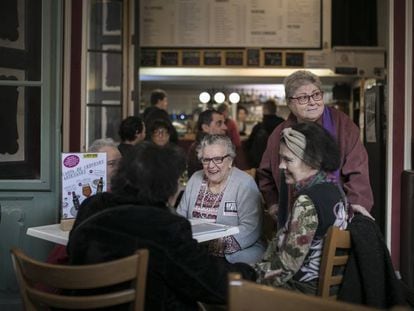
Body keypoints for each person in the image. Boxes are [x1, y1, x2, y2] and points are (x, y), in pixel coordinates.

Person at [67, 142, 256, 310]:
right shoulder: (166, 226)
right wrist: (250, 271)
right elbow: (215, 287)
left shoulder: (90, 205)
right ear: (166, 185)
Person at [257, 70, 373, 226]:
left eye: (316, 94)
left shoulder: (342, 125)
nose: (312, 102)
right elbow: (265, 174)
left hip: (339, 215)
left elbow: (358, 170)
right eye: (303, 98)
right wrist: (272, 203)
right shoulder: (279, 134)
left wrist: (356, 204)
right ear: (290, 103)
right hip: (295, 214)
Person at [255, 122, 348, 295]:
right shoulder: (336, 190)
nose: (281, 166)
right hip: (333, 287)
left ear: (313, 161)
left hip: (303, 291)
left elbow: (287, 266)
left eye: (288, 160)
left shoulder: (306, 202)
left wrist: (251, 279)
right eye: (280, 158)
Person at [177, 134, 264, 265]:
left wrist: (216, 245)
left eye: (218, 159)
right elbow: (180, 217)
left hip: (236, 253)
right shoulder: (195, 178)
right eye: (206, 160)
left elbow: (251, 228)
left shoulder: (245, 183)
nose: (211, 166)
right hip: (196, 248)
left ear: (230, 161)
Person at [45, 138, 122, 269]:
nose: (119, 168)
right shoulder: (88, 196)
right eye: (112, 163)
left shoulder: (124, 193)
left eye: (121, 163)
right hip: (72, 272)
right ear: (94, 165)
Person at [187, 109, 227, 178]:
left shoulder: (216, 146)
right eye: (219, 123)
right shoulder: (202, 149)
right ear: (205, 127)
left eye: (224, 123)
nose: (225, 127)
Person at [244, 99, 284, 168]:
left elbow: (248, 145)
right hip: (279, 163)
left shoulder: (258, 127)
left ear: (264, 110)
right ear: (275, 110)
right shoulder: (283, 124)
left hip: (261, 164)